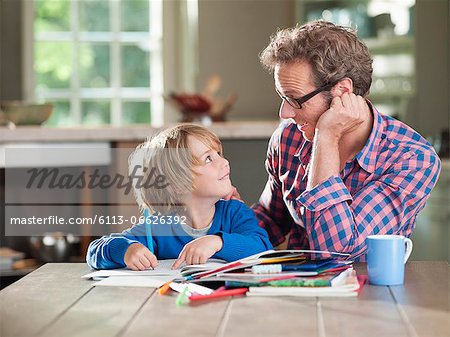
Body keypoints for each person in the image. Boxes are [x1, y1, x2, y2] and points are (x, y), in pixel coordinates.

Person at [250, 20, 441, 261]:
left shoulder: (412, 159)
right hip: (298, 289)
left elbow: (338, 251)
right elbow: (270, 219)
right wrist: (220, 233)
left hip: (369, 295)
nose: (284, 114)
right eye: (282, 97)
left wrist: (327, 138)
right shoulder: (288, 137)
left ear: (342, 91)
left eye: (296, 100)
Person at [87, 124, 272, 270]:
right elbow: (94, 250)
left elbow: (263, 249)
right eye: (208, 158)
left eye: (219, 154)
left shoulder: (235, 212)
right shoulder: (158, 228)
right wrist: (125, 250)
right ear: (178, 184)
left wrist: (218, 242)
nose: (224, 162)